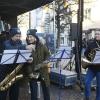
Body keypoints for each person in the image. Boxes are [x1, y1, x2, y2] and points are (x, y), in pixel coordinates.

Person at [0, 28, 33, 100]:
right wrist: (25, 47)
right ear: (12, 36)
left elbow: (21, 57)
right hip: (5, 73)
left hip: (15, 72)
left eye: (19, 36)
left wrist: (28, 60)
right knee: (3, 93)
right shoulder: (5, 43)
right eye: (16, 36)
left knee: (15, 94)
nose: (18, 38)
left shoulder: (20, 43)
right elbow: (10, 49)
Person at [26, 29, 51, 100]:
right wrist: (30, 73)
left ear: (35, 37)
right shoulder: (27, 47)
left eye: (31, 36)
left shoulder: (42, 45)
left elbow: (47, 54)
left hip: (43, 70)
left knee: (46, 92)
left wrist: (46, 60)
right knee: (34, 93)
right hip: (33, 72)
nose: (29, 38)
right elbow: (26, 63)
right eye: (28, 37)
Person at [84, 30, 100, 100]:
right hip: (91, 68)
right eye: (96, 34)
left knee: (99, 86)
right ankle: (87, 97)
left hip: (99, 69)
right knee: (87, 82)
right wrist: (90, 56)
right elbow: (85, 53)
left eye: (98, 34)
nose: (97, 35)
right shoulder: (91, 44)